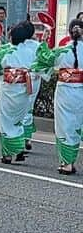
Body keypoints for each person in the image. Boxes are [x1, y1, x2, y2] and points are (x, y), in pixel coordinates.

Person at [0, 21, 42, 164]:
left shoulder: (5, 50)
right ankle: (19, 147)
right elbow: (41, 65)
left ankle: (8, 153)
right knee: (18, 119)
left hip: (9, 88)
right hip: (24, 89)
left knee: (5, 120)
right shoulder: (31, 51)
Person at [46, 22, 83, 175]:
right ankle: (70, 161)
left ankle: (66, 162)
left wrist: (45, 41)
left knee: (63, 125)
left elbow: (45, 60)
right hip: (80, 91)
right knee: (76, 124)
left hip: (64, 90)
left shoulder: (61, 49)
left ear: (69, 32)